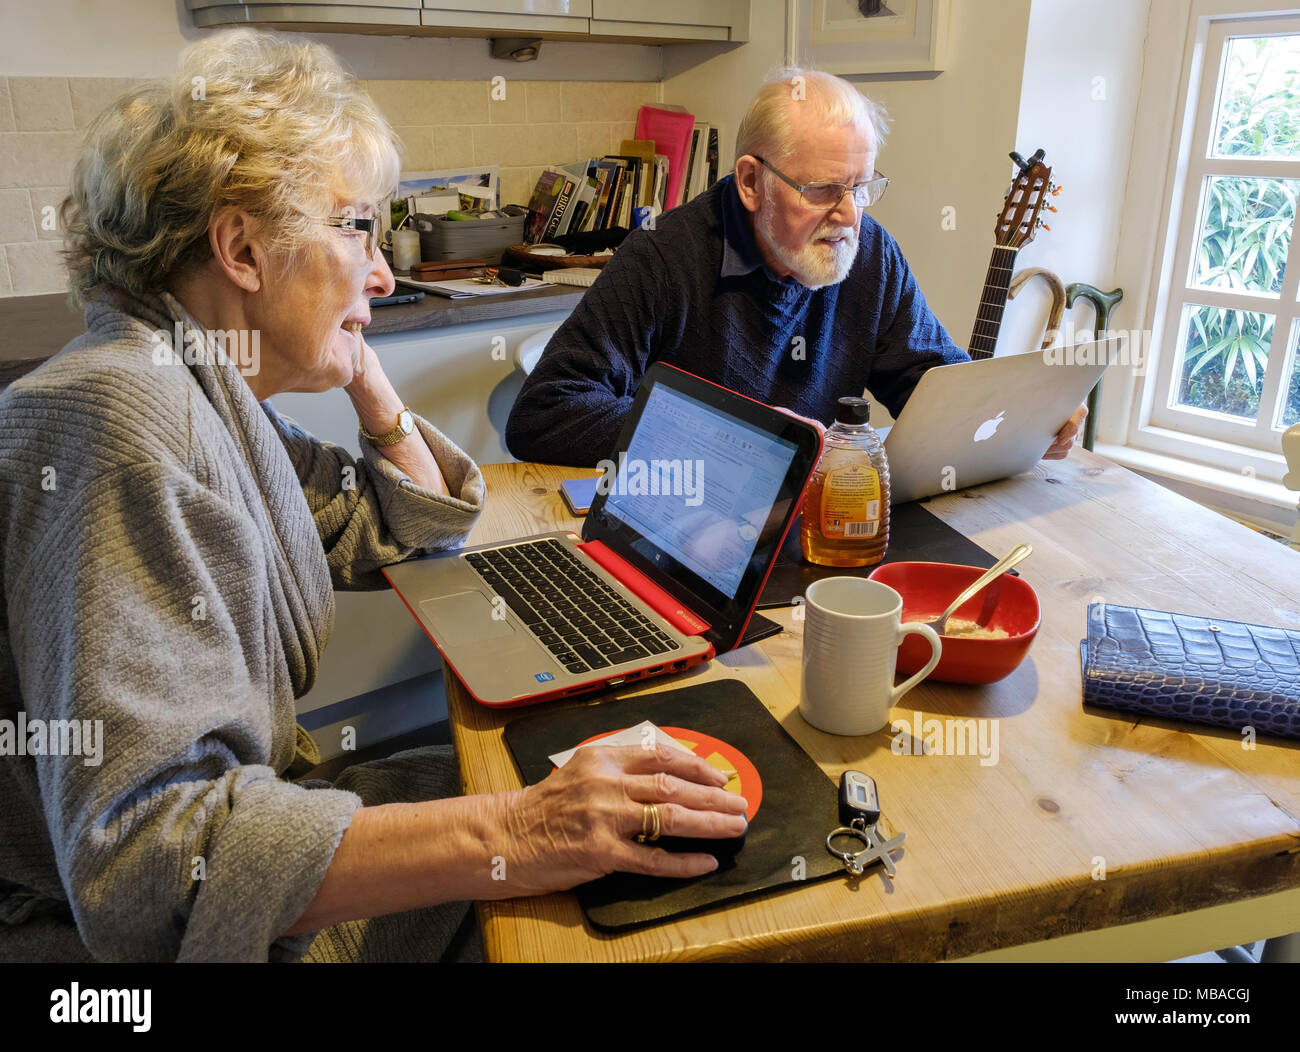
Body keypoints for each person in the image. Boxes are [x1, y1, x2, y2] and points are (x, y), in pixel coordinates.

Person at [0, 29, 747, 963]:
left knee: (528, 774)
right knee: (592, 898)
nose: (385, 272)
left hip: (241, 848)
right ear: (241, 246)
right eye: (358, 226)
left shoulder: (203, 387)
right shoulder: (125, 420)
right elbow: (148, 868)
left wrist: (366, 377)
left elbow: (401, 522)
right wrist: (519, 834)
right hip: (115, 942)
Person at [505, 68, 1086, 465]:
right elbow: (545, 412)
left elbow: (929, 386)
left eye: (862, 187)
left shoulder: (870, 254)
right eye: (824, 190)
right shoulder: (665, 256)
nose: (849, 216)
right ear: (752, 182)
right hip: (687, 530)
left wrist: (1024, 415)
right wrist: (731, 437)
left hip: (814, 521)